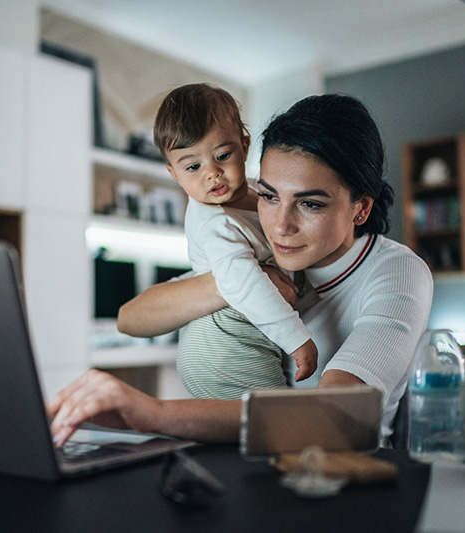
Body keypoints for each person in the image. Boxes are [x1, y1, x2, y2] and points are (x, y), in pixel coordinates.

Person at [49, 93, 433, 447]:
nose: (280, 225)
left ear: (360, 208)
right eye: (268, 195)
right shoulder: (253, 254)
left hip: (338, 481)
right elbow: (130, 318)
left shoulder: (397, 273)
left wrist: (154, 414)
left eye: (310, 204)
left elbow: (332, 415)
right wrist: (235, 284)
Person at [153, 83, 317, 399]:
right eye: (193, 166)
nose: (212, 173)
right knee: (276, 423)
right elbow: (244, 284)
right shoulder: (214, 222)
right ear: (174, 174)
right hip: (225, 346)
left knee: (262, 433)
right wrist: (296, 339)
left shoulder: (261, 192)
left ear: (244, 146)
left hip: (244, 336)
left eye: (223, 155)